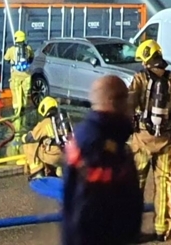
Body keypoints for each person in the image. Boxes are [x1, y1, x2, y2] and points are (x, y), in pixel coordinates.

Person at [62, 75, 142, 245]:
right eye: (126, 99)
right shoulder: (96, 142)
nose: (130, 106)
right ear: (114, 101)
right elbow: (91, 206)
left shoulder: (104, 135)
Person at [129, 39, 171, 241]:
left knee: (136, 185)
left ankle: (132, 227)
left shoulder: (140, 79)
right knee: (163, 184)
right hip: (166, 140)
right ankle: (162, 228)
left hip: (142, 141)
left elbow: (129, 106)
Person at [23, 96, 72, 179]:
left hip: (54, 156)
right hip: (68, 156)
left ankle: (37, 172)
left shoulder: (46, 122)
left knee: (29, 144)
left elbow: (31, 137)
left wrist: (24, 137)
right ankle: (59, 171)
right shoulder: (65, 120)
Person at [4, 30, 35, 121]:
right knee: (25, 93)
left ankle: (16, 109)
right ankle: (23, 109)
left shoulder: (11, 50)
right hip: (26, 74)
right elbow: (32, 58)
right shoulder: (28, 48)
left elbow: (6, 59)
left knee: (15, 91)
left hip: (16, 75)